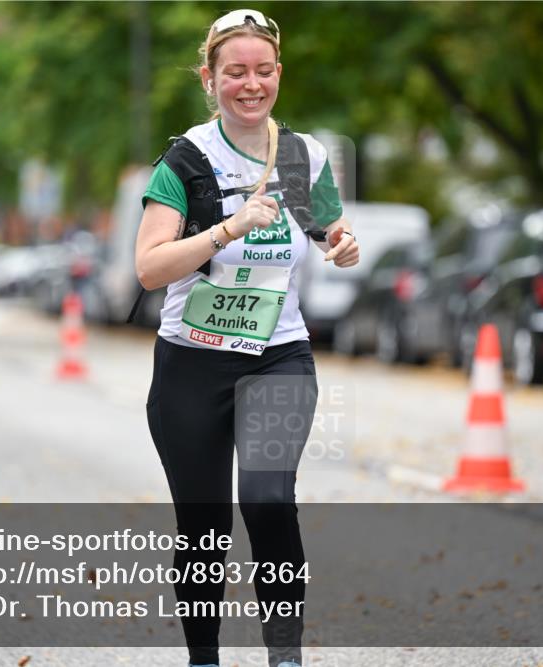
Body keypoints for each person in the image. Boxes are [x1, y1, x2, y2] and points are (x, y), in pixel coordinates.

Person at [135, 10, 359, 667]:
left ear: (278, 75)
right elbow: (149, 267)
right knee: (204, 527)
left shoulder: (302, 156)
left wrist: (343, 245)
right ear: (211, 78)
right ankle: (203, 658)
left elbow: (331, 232)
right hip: (191, 365)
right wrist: (225, 230)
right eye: (235, 72)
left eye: (263, 71)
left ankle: (284, 657)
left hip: (277, 356)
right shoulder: (185, 160)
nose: (251, 84)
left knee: (267, 500)